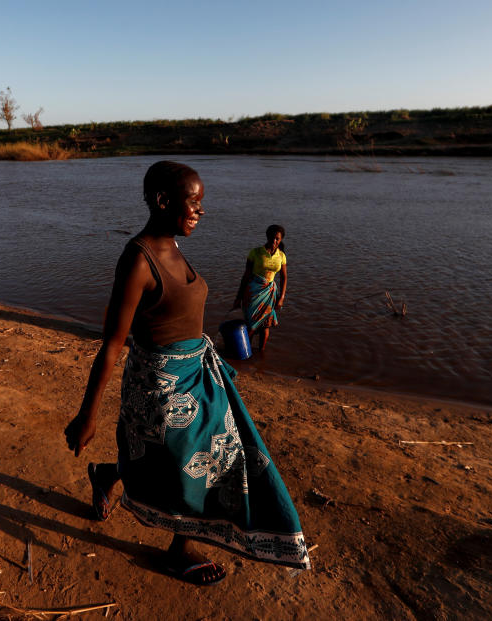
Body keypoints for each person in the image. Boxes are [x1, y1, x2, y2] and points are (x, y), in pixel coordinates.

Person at [64, 161, 310, 586]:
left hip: (199, 373)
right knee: (195, 465)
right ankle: (179, 551)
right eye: (193, 201)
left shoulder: (173, 246)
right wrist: (89, 414)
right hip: (161, 387)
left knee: (182, 460)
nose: (200, 210)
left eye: (201, 203)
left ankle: (108, 475)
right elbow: (112, 343)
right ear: (163, 201)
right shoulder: (139, 260)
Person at [232, 225, 287, 351]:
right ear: (267, 237)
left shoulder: (281, 256)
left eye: (277, 239)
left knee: (265, 325)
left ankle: (261, 354)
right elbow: (246, 276)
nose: (274, 241)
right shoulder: (255, 253)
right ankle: (246, 352)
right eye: (272, 238)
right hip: (252, 293)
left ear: (281, 239)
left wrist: (282, 298)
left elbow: (284, 278)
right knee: (251, 325)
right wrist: (238, 297)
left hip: (269, 293)